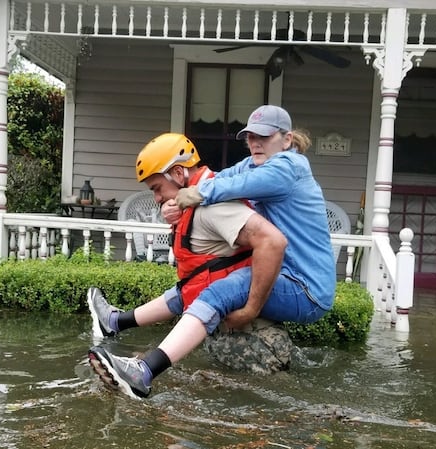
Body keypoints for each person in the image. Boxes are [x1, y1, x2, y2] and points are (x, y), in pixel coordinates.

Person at [89, 105, 336, 399]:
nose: (255, 143)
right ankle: (115, 322)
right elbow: (218, 178)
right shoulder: (254, 164)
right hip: (285, 275)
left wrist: (251, 309)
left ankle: (144, 372)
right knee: (204, 280)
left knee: (219, 291)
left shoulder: (288, 167)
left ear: (286, 139)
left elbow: (239, 188)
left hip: (306, 288)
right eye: (250, 137)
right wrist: (177, 200)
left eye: (265, 136)